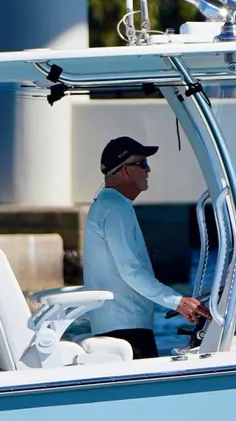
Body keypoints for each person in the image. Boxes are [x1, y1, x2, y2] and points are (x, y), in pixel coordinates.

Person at [79, 135, 206, 350]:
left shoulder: (110, 204)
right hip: (125, 330)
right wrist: (176, 301)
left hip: (120, 326)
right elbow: (130, 270)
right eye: (143, 163)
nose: (148, 170)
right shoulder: (115, 208)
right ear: (126, 170)